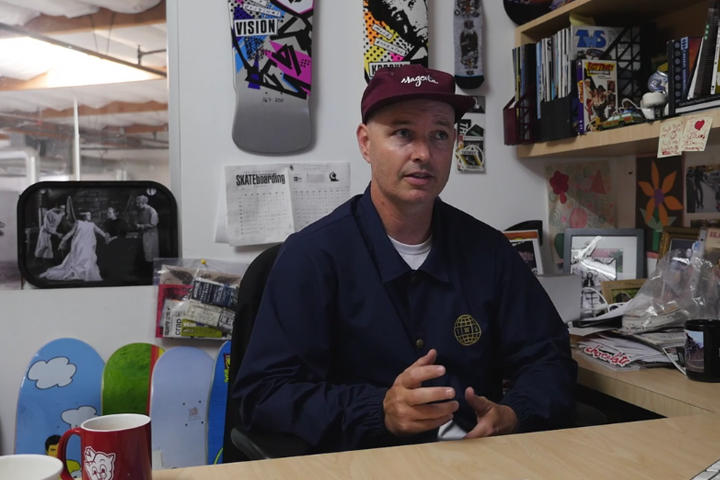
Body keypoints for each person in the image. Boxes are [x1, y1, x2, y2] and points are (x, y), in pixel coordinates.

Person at [233, 64, 576, 454]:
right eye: (402, 133)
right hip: (357, 465)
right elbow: (263, 395)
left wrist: (515, 413)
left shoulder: (490, 252)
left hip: (472, 461)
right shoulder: (311, 257)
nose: (423, 154)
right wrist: (378, 410)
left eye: (440, 135)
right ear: (365, 143)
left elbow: (549, 360)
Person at [40, 211, 109, 282]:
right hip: (79, 246)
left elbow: (100, 231)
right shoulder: (78, 223)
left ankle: (85, 272)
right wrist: (63, 241)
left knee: (88, 259)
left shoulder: (92, 224)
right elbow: (70, 233)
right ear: (84, 216)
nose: (90, 216)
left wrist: (107, 237)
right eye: (88, 215)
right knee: (79, 259)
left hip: (88, 245)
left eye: (90, 215)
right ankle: (80, 272)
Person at [135, 195, 159, 264]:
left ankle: (151, 267)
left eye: (138, 203)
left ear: (143, 203)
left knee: (150, 253)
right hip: (144, 234)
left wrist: (141, 226)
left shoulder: (152, 211)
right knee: (145, 253)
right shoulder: (141, 211)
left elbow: (153, 224)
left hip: (151, 235)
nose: (137, 205)